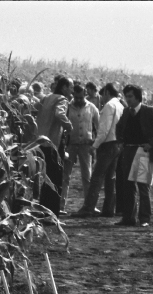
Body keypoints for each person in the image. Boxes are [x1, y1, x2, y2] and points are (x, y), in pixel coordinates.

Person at [115, 84, 153, 227]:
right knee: (128, 186)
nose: (128, 99)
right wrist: (120, 141)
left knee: (143, 186)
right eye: (126, 96)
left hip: (143, 151)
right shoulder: (126, 111)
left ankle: (144, 219)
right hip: (128, 151)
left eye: (130, 96)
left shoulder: (148, 111)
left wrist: (152, 144)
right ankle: (129, 218)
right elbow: (119, 127)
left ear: (138, 97)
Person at [72, 83, 124, 217]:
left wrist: (94, 146)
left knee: (96, 177)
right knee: (110, 178)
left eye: (103, 95)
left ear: (107, 92)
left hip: (107, 145)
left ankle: (88, 208)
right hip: (117, 144)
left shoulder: (109, 106)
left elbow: (104, 130)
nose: (102, 99)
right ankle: (108, 209)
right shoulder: (119, 105)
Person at [36, 76, 74, 218]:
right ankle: (52, 214)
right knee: (55, 179)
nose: (72, 90)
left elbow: (33, 110)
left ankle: (43, 211)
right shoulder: (62, 100)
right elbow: (59, 113)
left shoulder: (47, 98)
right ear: (64, 87)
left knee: (46, 178)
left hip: (41, 142)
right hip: (53, 144)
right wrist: (69, 126)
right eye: (70, 87)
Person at [60, 84, 100, 214]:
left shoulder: (91, 107)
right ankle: (61, 206)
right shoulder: (67, 107)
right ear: (73, 95)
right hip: (70, 145)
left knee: (87, 176)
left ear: (85, 95)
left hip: (85, 145)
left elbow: (98, 126)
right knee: (66, 175)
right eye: (76, 97)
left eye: (81, 97)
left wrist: (95, 142)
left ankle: (89, 206)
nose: (78, 100)